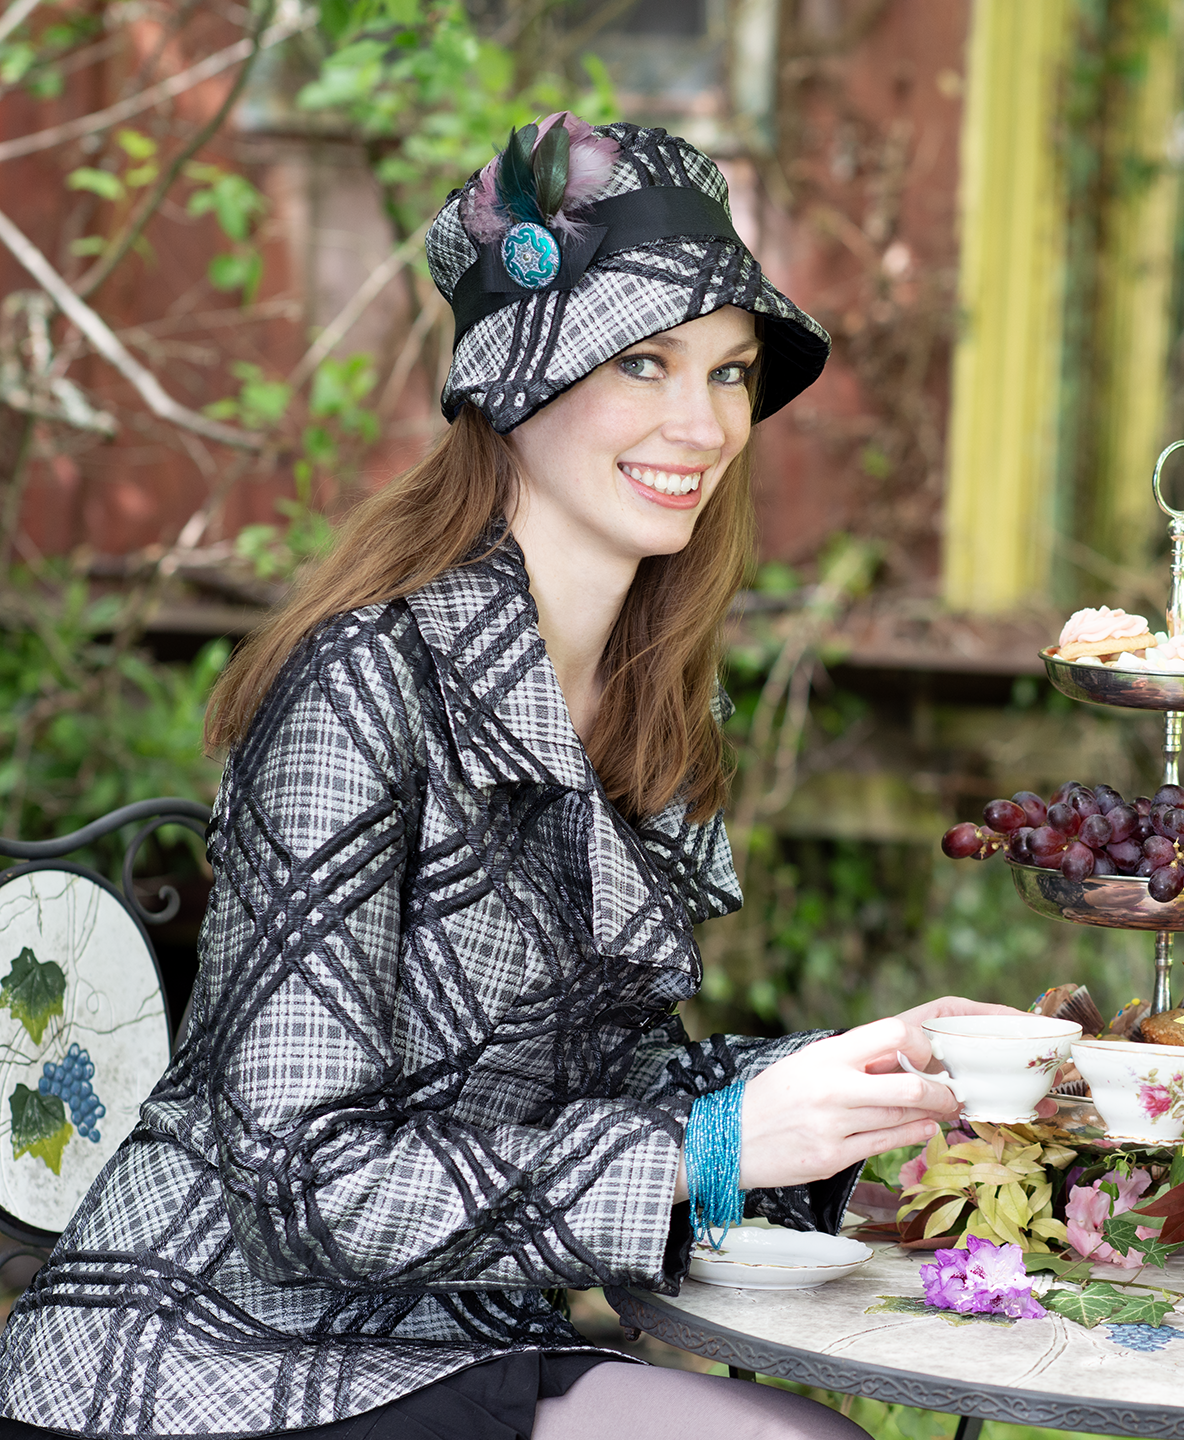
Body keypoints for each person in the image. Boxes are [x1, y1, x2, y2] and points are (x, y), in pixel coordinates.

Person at [0, 116, 1024, 1440]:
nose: (697, 423)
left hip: (462, 1328)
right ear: (515, 380)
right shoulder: (360, 681)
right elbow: (295, 1184)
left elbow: (590, 1096)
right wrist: (705, 1154)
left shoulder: (653, 697)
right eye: (639, 361)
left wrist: (864, 1085)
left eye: (727, 372)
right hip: (210, 1349)